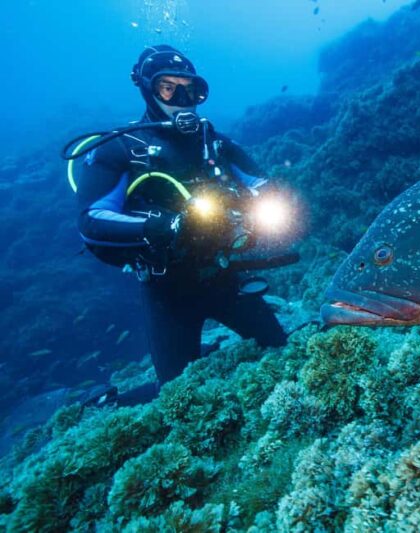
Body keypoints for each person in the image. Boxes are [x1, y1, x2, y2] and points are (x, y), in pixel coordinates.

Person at [73, 45, 287, 406]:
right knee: (175, 398)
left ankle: (213, 348)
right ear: (146, 89)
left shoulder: (214, 143)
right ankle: (110, 401)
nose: (182, 98)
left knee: (280, 350)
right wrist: (164, 225)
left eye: (190, 89)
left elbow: (264, 187)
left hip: (223, 276)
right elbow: (91, 221)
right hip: (167, 292)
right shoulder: (121, 148)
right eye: (168, 88)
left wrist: (258, 209)